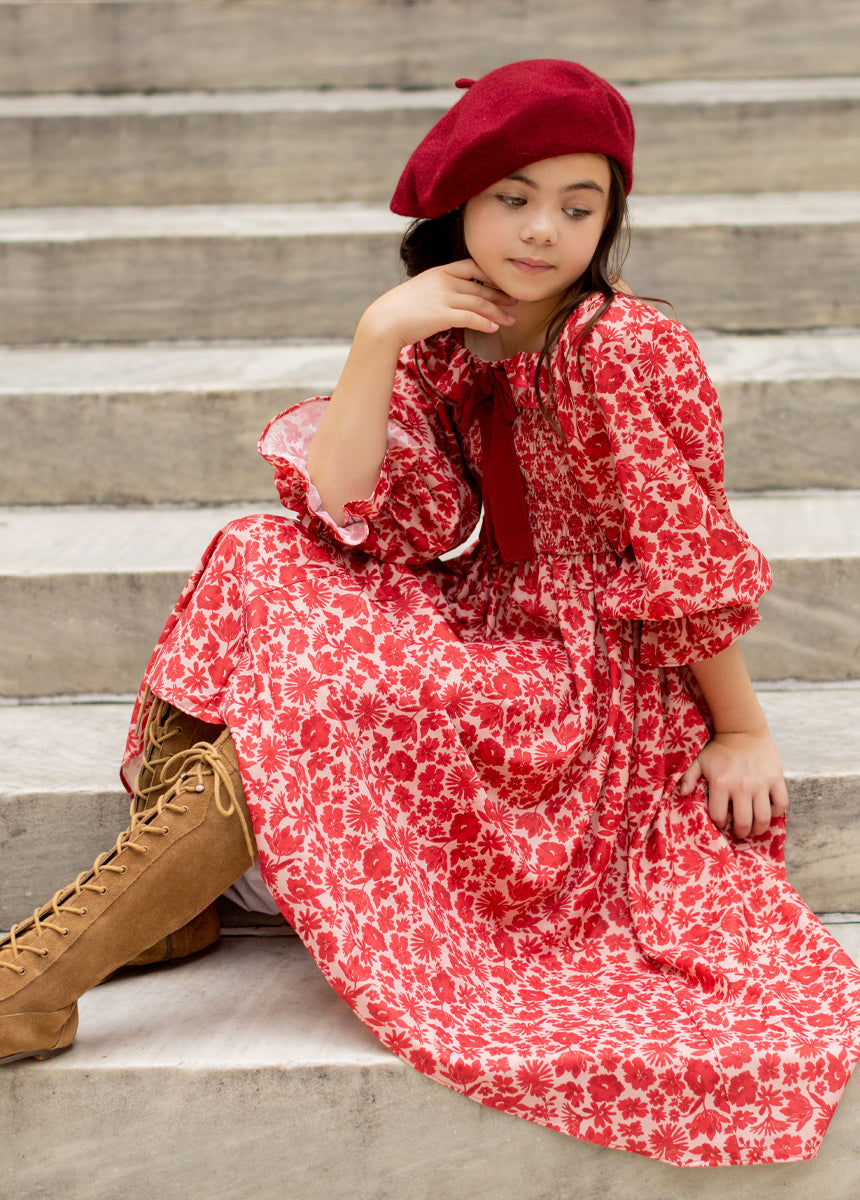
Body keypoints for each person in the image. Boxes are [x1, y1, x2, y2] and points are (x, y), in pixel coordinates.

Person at [1, 60, 858, 1168]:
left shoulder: (622, 347)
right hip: (487, 621)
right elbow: (354, 511)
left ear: (609, 221)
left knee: (325, 693)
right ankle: (159, 912)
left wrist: (739, 728)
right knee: (260, 552)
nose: (543, 230)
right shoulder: (445, 341)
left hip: (587, 676)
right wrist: (376, 337)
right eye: (514, 197)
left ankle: (35, 985)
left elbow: (682, 551)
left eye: (579, 207)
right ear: (461, 203)